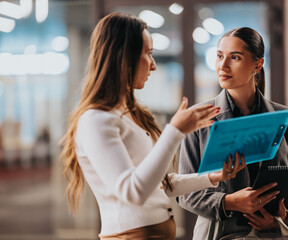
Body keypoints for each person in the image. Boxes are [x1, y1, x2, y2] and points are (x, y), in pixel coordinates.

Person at [60, 13, 247, 240]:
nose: (154, 65)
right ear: (124, 57)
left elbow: (162, 185)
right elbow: (133, 192)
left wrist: (214, 176)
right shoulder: (96, 120)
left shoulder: (128, 115)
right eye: (148, 54)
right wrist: (175, 132)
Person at [178, 27, 288, 239]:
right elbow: (184, 193)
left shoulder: (286, 118)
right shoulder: (198, 118)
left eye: (235, 57)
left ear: (257, 64)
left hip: (271, 235)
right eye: (219, 56)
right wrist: (229, 202)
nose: (223, 65)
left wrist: (284, 219)